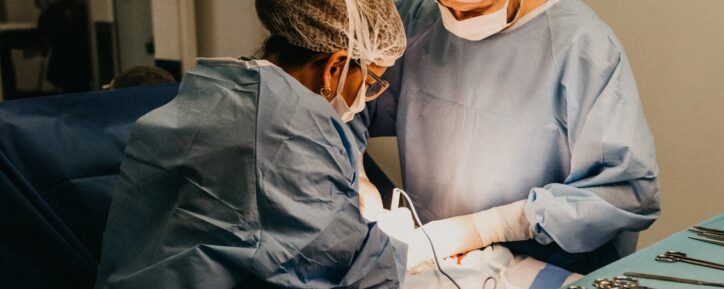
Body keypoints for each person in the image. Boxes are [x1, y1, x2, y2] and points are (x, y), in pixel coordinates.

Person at [94, 0, 412, 288]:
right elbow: (352, 264)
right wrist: (406, 250)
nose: (366, 98)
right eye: (370, 82)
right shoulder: (290, 126)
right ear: (334, 67)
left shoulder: (218, 86)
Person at [355, 0, 661, 274]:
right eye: (449, 6)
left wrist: (491, 227)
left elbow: (627, 191)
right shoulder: (421, 20)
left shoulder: (582, 46)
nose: (459, 18)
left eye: (474, 9)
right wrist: (358, 176)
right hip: (438, 260)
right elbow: (347, 100)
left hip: (553, 267)